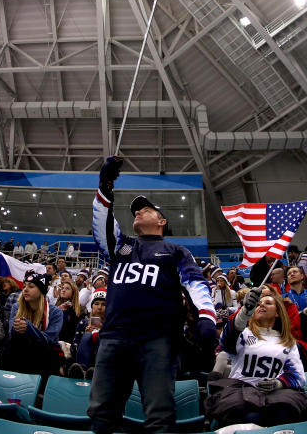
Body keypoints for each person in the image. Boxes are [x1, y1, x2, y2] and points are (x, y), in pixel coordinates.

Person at [87, 157, 217, 434]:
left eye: (144, 210)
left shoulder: (175, 251)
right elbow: (101, 227)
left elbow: (196, 283)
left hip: (157, 341)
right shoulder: (120, 247)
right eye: (135, 210)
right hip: (113, 337)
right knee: (101, 412)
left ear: (161, 220)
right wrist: (105, 187)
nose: (137, 212)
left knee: (159, 416)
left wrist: (206, 317)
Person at [205, 287, 307, 427]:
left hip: (276, 394)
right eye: (258, 303)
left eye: (268, 303)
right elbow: (226, 341)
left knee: (283, 412)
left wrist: (279, 383)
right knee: (251, 415)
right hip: (240, 392)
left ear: (278, 312)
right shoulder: (244, 333)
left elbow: (297, 376)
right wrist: (244, 312)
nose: (261, 305)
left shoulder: (288, 342)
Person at [0, 271, 63, 375]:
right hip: (21, 351)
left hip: (45, 354)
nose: (25, 290)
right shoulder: (16, 307)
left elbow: (49, 339)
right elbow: (11, 333)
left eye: (31, 286)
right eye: (24, 286)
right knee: (12, 343)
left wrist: (28, 327)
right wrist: (18, 328)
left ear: (41, 291)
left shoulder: (56, 312)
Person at [68, 287, 108, 379]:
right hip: (83, 359)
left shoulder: (112, 325)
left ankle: (97, 371)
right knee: (87, 336)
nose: (99, 307)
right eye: (96, 304)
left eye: (103, 304)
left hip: (104, 362)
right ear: (92, 306)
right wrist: (85, 337)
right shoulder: (83, 323)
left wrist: (103, 332)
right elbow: (74, 348)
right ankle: (82, 370)